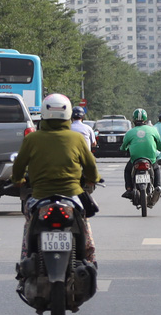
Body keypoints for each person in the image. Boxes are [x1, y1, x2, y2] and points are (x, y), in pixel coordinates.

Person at [9, 93, 101, 261]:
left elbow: (19, 165)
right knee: (83, 224)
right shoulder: (77, 138)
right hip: (72, 195)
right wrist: (92, 179)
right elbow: (90, 166)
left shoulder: (32, 139)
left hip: (39, 196)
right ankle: (89, 257)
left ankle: (25, 258)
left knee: (29, 224)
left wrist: (17, 180)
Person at [120, 107, 161, 200]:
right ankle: (158, 187)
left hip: (135, 159)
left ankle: (129, 189)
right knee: (156, 168)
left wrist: (123, 149)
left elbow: (123, 147)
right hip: (151, 159)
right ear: (145, 120)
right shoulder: (153, 130)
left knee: (127, 170)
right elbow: (159, 145)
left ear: (133, 119)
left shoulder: (130, 132)